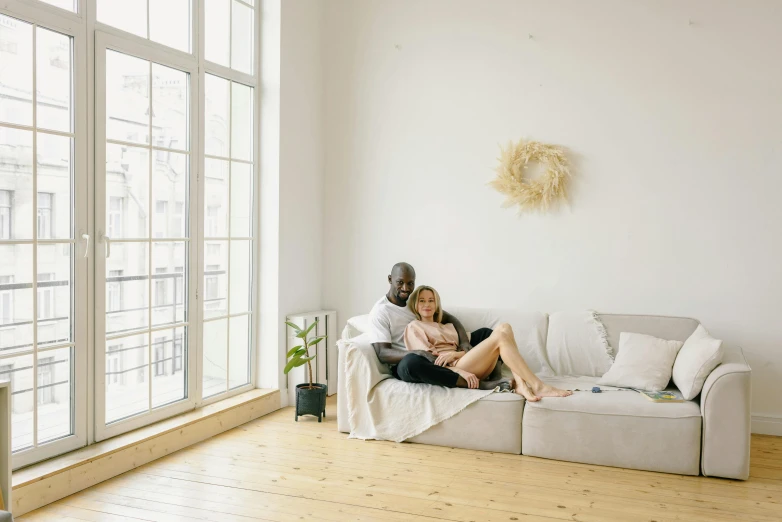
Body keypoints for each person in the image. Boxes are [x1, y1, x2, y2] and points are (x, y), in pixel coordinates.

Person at [404, 285, 572, 401]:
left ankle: (521, 384)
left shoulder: (447, 326)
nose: (427, 304)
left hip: (467, 361)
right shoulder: (414, 327)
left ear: (437, 304)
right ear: (415, 305)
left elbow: (469, 347)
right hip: (455, 370)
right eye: (422, 300)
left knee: (504, 328)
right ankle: (537, 385)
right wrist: (459, 372)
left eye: (431, 300)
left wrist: (456, 353)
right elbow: (427, 360)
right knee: (501, 333)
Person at [369, 262, 507, 389]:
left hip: (435, 353)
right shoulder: (381, 311)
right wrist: (419, 352)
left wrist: (464, 342)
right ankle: (478, 385)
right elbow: (383, 353)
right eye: (400, 282)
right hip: (411, 360)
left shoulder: (414, 302)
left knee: (487, 333)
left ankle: (496, 377)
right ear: (390, 279)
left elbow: (449, 317)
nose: (405, 288)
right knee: (410, 363)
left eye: (410, 283)